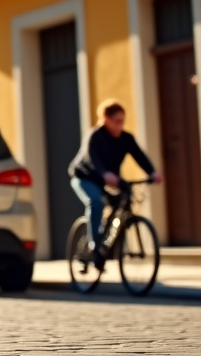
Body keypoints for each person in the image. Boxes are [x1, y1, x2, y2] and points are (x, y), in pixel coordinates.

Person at [68, 99, 162, 259]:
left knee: (124, 197)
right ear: (106, 119)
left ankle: (107, 237)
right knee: (96, 202)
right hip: (84, 177)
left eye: (122, 121)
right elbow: (93, 158)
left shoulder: (126, 138)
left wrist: (152, 172)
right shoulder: (95, 136)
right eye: (117, 121)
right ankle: (93, 245)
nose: (120, 125)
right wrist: (105, 173)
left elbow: (139, 156)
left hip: (108, 179)